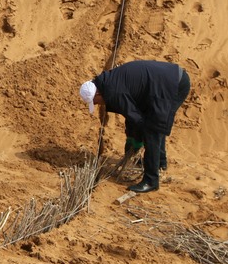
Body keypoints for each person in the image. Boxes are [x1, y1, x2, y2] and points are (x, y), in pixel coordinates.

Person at [79, 60, 190, 193]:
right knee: (154, 124)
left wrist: (136, 140)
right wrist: (132, 138)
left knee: (152, 130)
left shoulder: (113, 91)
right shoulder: (107, 82)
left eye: (95, 102)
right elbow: (131, 113)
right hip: (167, 81)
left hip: (172, 85)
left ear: (97, 94)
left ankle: (151, 181)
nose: (97, 105)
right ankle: (160, 162)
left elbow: (137, 119)